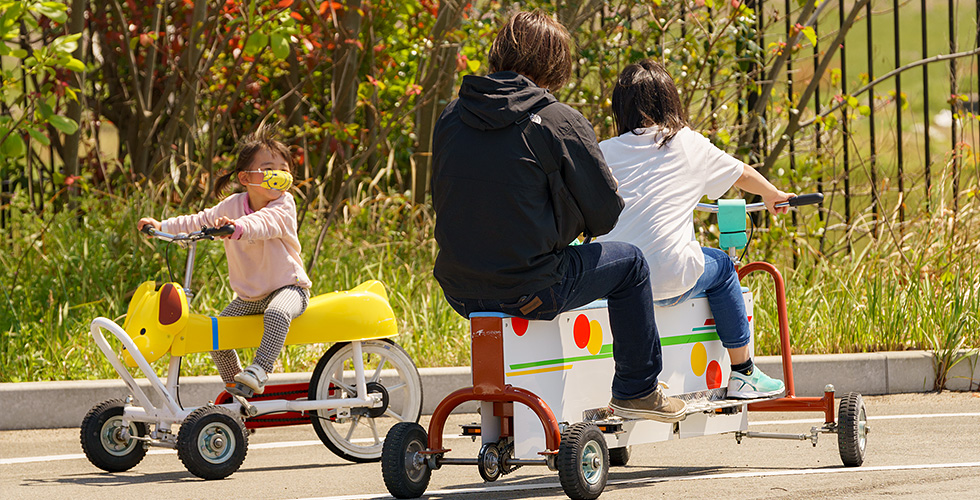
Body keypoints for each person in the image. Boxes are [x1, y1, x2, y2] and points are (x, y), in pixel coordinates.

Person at [430, 11, 686, 422]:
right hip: (529, 289)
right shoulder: (558, 121)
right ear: (555, 64)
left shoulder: (451, 115)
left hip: (460, 288)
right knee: (632, 264)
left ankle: (516, 405)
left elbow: (444, 196)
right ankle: (638, 390)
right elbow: (604, 217)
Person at [597, 59, 792, 399]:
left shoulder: (604, 151)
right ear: (670, 101)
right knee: (723, 268)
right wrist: (771, 193)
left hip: (616, 284)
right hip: (670, 277)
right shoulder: (688, 143)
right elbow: (740, 173)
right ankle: (744, 372)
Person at [137, 125, 311, 398]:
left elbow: (263, 224)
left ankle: (260, 370)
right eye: (268, 168)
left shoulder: (284, 204)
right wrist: (163, 225)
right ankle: (237, 390)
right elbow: (198, 221)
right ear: (245, 177)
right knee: (215, 335)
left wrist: (235, 228)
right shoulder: (232, 205)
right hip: (250, 297)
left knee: (277, 313)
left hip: (288, 288)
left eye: (284, 169)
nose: (278, 174)